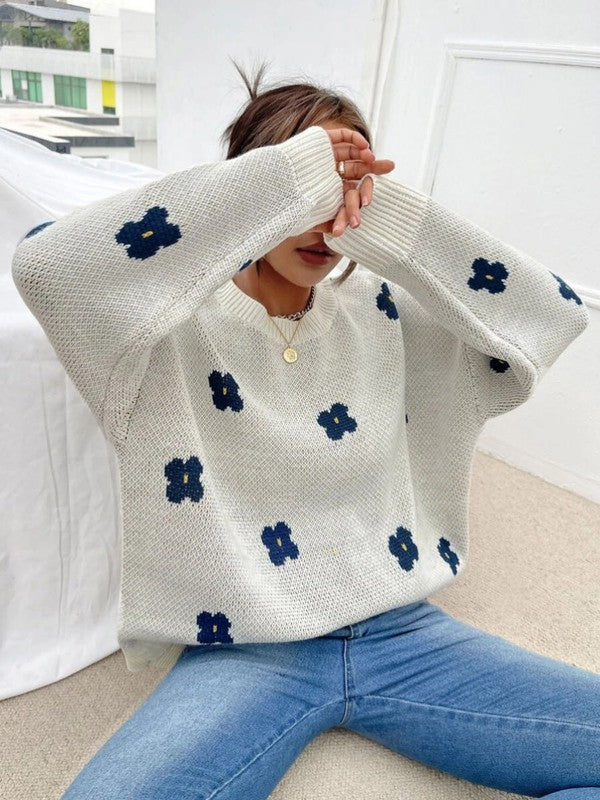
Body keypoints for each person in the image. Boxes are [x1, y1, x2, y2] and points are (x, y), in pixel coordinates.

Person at [12, 60, 598, 799]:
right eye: (307, 189)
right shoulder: (160, 330)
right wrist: (278, 184)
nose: (324, 218)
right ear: (252, 189)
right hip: (246, 643)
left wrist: (390, 219)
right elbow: (47, 267)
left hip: (401, 630)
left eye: (343, 189)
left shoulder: (385, 312)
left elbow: (551, 315)